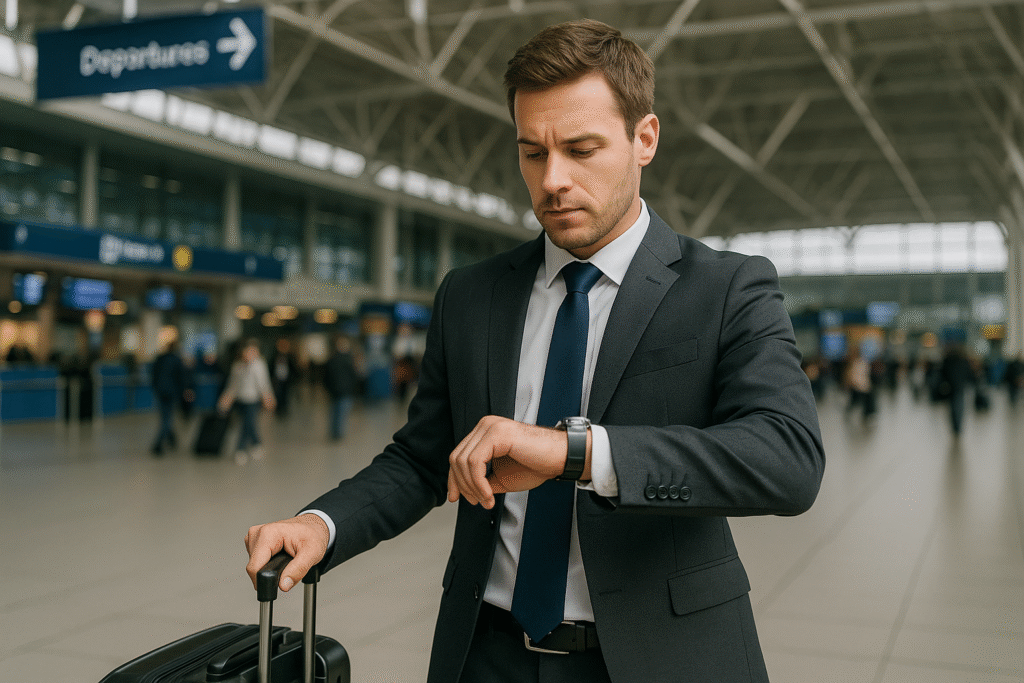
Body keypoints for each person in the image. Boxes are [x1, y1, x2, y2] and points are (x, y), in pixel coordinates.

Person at [244, 20, 824, 683]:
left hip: (658, 654)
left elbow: (788, 458)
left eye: (581, 149)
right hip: (488, 651)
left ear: (645, 139)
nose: (552, 180)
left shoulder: (725, 288)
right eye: (532, 152)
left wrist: (576, 451)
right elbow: (423, 457)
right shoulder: (471, 294)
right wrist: (323, 524)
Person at [218, 338, 275, 464]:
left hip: (253, 400)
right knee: (248, 424)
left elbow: (263, 384)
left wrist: (268, 397)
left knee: (247, 424)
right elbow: (232, 385)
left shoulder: (259, 365)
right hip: (240, 400)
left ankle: (240, 449)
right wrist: (226, 399)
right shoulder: (237, 366)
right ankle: (256, 443)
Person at [150, 340, 185, 455]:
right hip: (170, 393)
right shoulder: (177, 360)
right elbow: (180, 377)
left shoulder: (160, 359)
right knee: (167, 418)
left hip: (160, 392)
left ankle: (172, 439)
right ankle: (158, 444)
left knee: (165, 416)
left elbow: (154, 374)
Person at [323, 334, 358, 440]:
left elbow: (326, 377)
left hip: (336, 391)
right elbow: (354, 376)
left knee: (335, 412)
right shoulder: (349, 360)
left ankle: (335, 432)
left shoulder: (332, 359)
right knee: (341, 413)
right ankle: (338, 433)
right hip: (344, 390)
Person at [938, 343, 976, 436]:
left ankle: (955, 426)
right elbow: (969, 374)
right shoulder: (964, 361)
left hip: (950, 387)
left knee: (952, 408)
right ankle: (958, 426)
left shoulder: (947, 360)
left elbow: (942, 373)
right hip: (960, 387)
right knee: (959, 407)